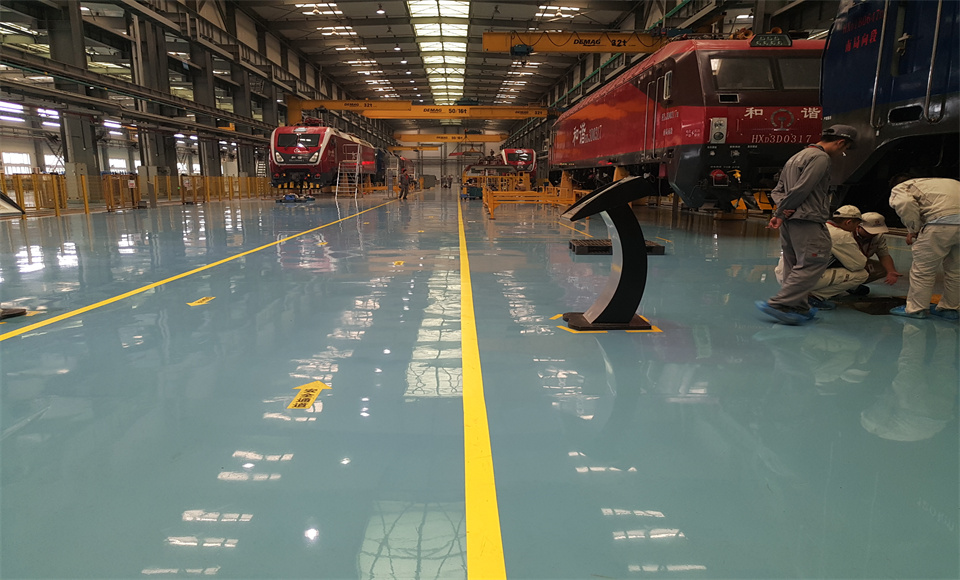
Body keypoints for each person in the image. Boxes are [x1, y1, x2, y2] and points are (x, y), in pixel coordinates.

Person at [756, 124, 858, 324]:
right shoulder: (820, 158)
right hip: (808, 220)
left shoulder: (796, 157)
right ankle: (780, 304)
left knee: (793, 263)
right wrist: (783, 211)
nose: (842, 153)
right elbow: (803, 188)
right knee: (813, 261)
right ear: (841, 143)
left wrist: (782, 212)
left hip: (790, 222)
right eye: (844, 149)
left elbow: (777, 190)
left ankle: (798, 306)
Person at [888, 176, 960, 320]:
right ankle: (950, 309)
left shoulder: (902, 187)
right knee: (956, 271)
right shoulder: (951, 183)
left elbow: (905, 203)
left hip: (940, 224)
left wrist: (913, 229)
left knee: (923, 270)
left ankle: (916, 309)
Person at [775, 205, 870, 310]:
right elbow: (858, 264)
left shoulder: (816, 227)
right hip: (801, 279)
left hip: (784, 275)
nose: (855, 228)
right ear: (848, 222)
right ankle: (813, 297)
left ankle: (800, 292)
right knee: (862, 274)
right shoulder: (841, 235)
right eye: (856, 225)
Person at [847, 211, 903, 295]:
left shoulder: (878, 236)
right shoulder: (846, 235)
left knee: (882, 268)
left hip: (861, 262)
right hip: (843, 262)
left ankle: (852, 285)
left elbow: (884, 255)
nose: (873, 234)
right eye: (870, 231)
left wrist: (891, 271)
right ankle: (838, 285)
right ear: (858, 227)